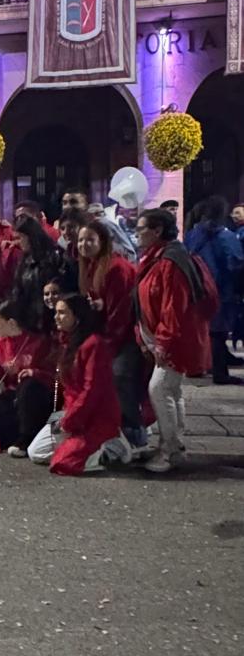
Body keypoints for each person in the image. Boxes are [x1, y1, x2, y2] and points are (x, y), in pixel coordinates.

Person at [134, 208, 216, 473]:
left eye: (141, 228)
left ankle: (169, 450)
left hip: (174, 340)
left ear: (157, 231)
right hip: (169, 338)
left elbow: (173, 306)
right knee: (171, 390)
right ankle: (175, 445)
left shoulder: (170, 262)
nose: (137, 233)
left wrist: (163, 342)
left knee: (159, 389)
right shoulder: (161, 257)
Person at [27, 295, 132, 474]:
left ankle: (110, 445)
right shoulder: (66, 341)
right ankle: (91, 446)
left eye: (62, 313)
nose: (56, 317)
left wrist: (70, 421)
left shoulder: (94, 344)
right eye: (56, 312)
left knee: (66, 462)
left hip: (94, 414)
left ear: (77, 316)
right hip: (71, 411)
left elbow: (92, 390)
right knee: (36, 452)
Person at [77, 218, 144, 445]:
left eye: (90, 240)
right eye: (81, 240)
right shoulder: (91, 265)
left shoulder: (116, 268)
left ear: (103, 241)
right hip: (108, 334)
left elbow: (121, 312)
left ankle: (135, 433)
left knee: (121, 378)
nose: (84, 244)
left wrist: (108, 342)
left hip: (125, 337)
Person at [0, 299, 55, 457]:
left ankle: (26, 438)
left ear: (11, 323)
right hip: (13, 393)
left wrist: (33, 372)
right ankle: (14, 439)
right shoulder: (0, 344)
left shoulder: (39, 343)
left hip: (37, 395)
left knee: (28, 387)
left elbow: (53, 373)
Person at [184, 195, 244, 385]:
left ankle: (208, 362)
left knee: (206, 329)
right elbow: (235, 263)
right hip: (222, 289)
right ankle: (220, 372)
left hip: (197, 288)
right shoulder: (225, 236)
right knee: (219, 331)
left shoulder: (193, 234)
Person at [10, 216, 66, 330]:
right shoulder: (25, 260)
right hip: (30, 319)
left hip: (50, 319)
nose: (18, 242)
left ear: (30, 236)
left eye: (20, 237)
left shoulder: (54, 257)